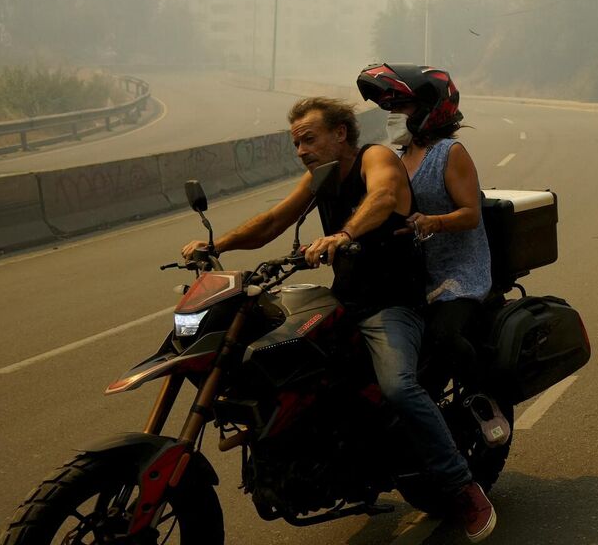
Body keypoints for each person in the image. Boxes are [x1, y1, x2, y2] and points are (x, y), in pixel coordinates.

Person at [177, 96, 496, 541]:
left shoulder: (376, 158)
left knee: (399, 387)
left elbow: (384, 196)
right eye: (296, 144)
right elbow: (273, 220)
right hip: (344, 300)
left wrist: (344, 233)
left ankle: (462, 486)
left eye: (309, 139)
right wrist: (219, 247)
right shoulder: (320, 178)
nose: (302, 151)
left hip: (392, 305)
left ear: (340, 134)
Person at [356, 65, 493, 356]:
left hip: (458, 274)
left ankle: (487, 392)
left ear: (429, 109)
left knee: (441, 338)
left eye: (401, 106)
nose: (393, 116)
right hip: (416, 276)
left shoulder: (449, 153)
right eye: (390, 108)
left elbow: (471, 214)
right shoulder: (396, 160)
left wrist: (433, 222)